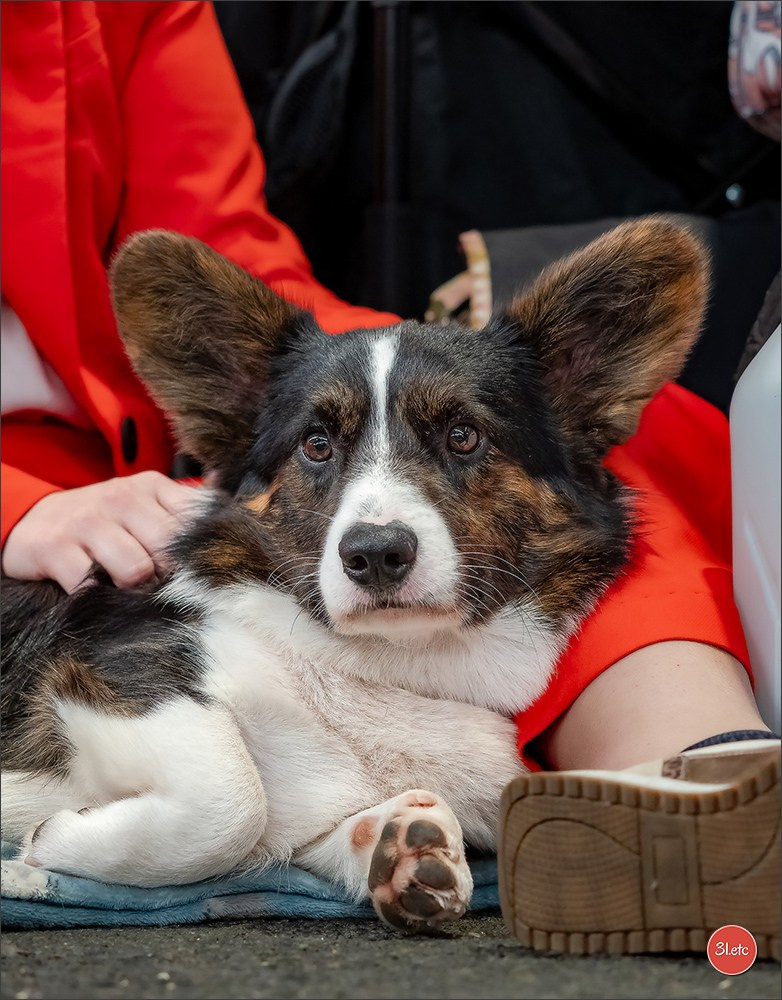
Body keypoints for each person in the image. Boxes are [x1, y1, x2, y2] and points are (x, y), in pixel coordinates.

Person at [1, 0, 777, 953]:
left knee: (597, 448)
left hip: (152, 476)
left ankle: (697, 771)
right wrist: (17, 509)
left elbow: (220, 237)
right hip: (47, 497)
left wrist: (387, 367)